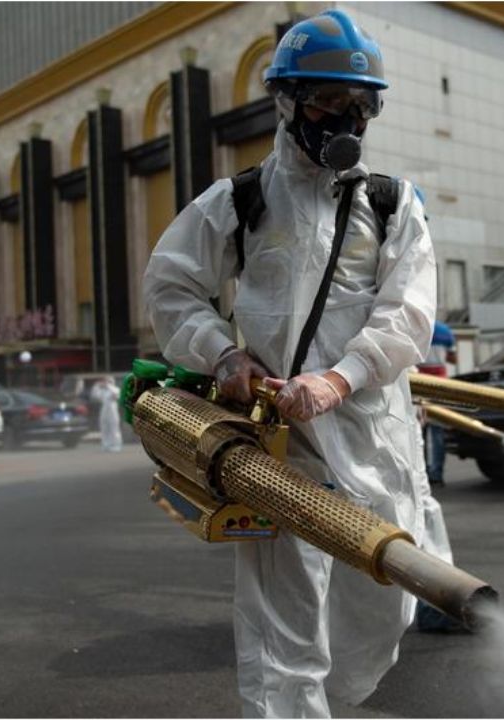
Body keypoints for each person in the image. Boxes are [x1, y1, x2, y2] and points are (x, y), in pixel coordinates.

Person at [143, 10, 437, 716]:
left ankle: (331, 703)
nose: (346, 118)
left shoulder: (391, 206)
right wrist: (224, 355)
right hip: (280, 442)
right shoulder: (239, 201)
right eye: (329, 100)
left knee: (383, 602)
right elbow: (170, 284)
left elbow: (410, 312)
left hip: (372, 438)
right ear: (287, 101)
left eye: (361, 103)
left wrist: (341, 379)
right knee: (285, 627)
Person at [417, 322, 456, 487]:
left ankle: (423, 473)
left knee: (419, 431)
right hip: (440, 385)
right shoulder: (445, 330)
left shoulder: (417, 326)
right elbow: (453, 358)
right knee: (438, 430)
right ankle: (437, 474)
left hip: (419, 383)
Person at [89, 377, 122, 452]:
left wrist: (108, 386)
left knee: (114, 428)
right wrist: (96, 386)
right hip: (104, 410)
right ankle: (106, 445)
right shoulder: (102, 391)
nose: (105, 383)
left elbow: (116, 395)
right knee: (104, 428)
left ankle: (116, 445)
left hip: (113, 411)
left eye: (107, 381)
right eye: (105, 381)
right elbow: (94, 395)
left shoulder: (115, 389)